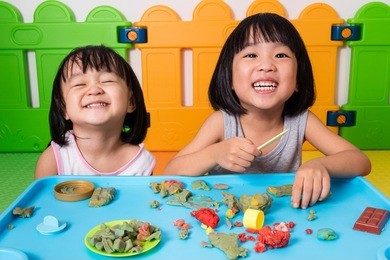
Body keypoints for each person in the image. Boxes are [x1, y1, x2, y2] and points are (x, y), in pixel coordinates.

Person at [163, 13, 371, 209]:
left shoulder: (302, 121)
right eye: (251, 54)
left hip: (284, 216)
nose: (266, 65)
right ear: (230, 79)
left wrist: (320, 165)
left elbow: (360, 161)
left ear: (298, 79)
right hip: (226, 214)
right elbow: (170, 172)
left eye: (281, 55)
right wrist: (214, 154)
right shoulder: (221, 122)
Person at [35, 45, 155, 178]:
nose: (94, 90)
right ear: (63, 107)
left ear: (131, 102)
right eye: (79, 84)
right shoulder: (54, 159)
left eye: (107, 80)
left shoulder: (141, 162)